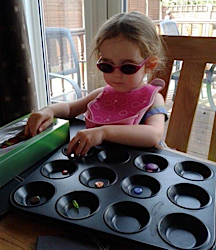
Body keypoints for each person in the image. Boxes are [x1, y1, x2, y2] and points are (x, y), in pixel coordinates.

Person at [24, 11, 167, 156]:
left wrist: (103, 132)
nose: (116, 74)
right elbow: (69, 108)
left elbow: (153, 134)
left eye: (128, 67)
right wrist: (48, 111)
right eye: (107, 66)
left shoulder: (153, 99)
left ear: (150, 64)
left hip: (139, 167)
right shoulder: (101, 94)